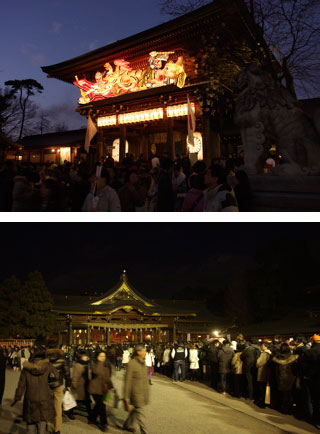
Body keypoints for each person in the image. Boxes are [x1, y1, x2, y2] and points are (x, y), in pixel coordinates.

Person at [12, 346, 58, 434]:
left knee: (30, 426)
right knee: (42, 426)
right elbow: (56, 377)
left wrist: (17, 397)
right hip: (45, 398)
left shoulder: (26, 368)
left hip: (30, 398)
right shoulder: (48, 366)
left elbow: (21, 385)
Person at [123, 344, 149, 434]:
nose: (145, 352)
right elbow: (127, 381)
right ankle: (144, 432)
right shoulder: (132, 364)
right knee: (141, 414)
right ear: (138, 352)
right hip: (136, 393)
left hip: (143, 392)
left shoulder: (143, 362)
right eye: (144, 351)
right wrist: (126, 397)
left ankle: (127, 424)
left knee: (135, 411)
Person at [47, 345, 73, 433]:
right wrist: (68, 384)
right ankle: (57, 429)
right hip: (58, 385)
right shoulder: (62, 358)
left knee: (46, 406)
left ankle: (45, 425)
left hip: (46, 385)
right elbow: (67, 372)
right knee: (58, 408)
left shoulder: (45, 359)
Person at [88, 351, 113, 432]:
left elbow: (108, 377)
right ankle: (104, 423)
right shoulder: (94, 365)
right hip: (95, 389)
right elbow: (97, 372)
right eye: (101, 356)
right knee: (101, 406)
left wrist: (111, 386)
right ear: (97, 357)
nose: (103, 357)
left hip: (103, 389)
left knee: (98, 405)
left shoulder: (106, 366)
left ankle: (92, 418)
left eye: (104, 356)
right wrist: (99, 362)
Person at [273, 343, 298, 415]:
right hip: (291, 377)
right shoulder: (293, 358)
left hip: (281, 377)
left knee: (283, 393)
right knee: (289, 393)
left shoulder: (277, 358)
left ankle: (283, 408)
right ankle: (289, 408)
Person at [70, 350, 92, 423]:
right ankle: (70, 413)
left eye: (87, 356)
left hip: (85, 385)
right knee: (75, 400)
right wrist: (74, 385)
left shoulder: (86, 364)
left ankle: (90, 414)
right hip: (79, 387)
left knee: (86, 400)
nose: (86, 357)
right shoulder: (78, 365)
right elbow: (75, 376)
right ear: (80, 357)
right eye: (85, 356)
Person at [255, 342, 271, 408]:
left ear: (266, 346)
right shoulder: (270, 353)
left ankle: (261, 403)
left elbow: (259, 363)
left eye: (262, 345)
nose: (261, 347)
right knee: (264, 387)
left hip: (262, 372)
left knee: (261, 388)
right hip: (267, 372)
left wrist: (256, 363)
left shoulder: (264, 354)